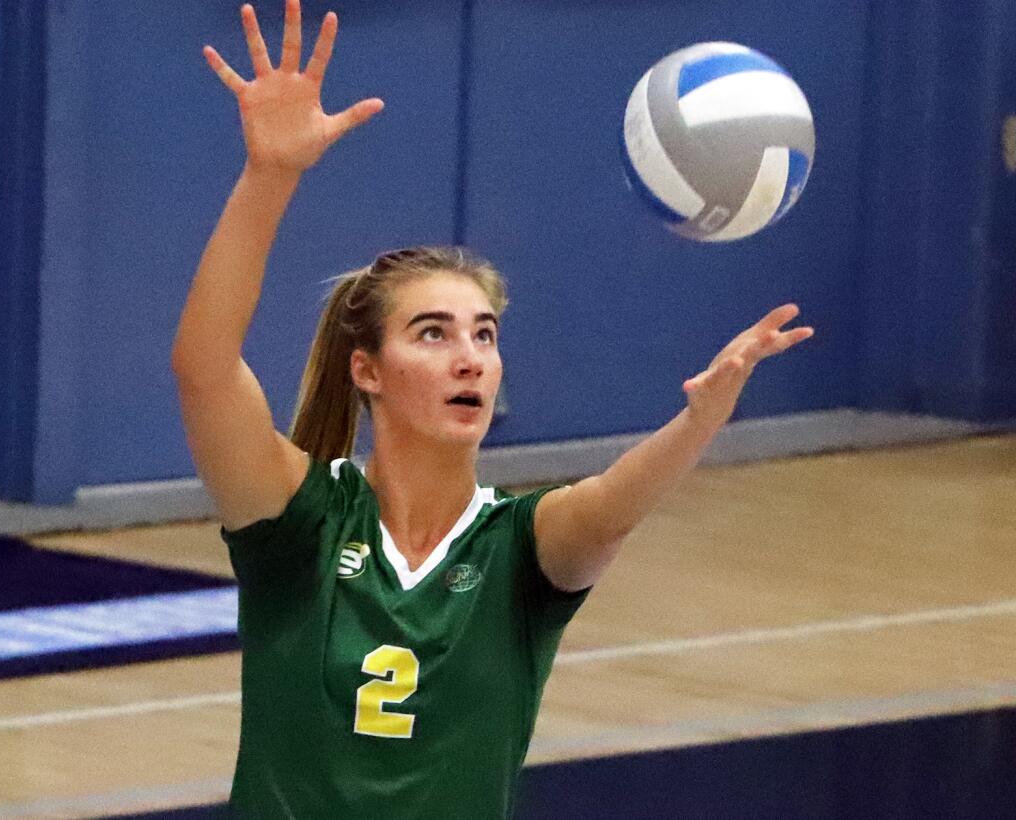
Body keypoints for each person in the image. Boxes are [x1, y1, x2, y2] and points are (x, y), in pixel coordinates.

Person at [171, 2, 814, 816]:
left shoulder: (521, 550)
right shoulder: (300, 526)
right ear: (366, 369)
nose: (469, 356)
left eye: (484, 334)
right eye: (433, 334)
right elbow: (203, 370)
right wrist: (270, 176)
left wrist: (698, 422)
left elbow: (611, 511)